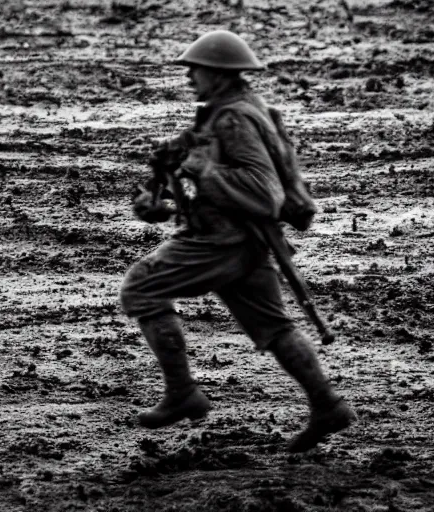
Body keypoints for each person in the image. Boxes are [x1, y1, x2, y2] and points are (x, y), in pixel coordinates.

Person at [120, 30, 355, 452]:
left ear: (220, 73)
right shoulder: (232, 109)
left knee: (141, 287)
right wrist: (167, 199)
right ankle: (327, 404)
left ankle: (181, 392)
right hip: (243, 240)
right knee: (274, 327)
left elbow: (264, 193)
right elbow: (220, 178)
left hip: (221, 242)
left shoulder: (234, 118)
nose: (190, 76)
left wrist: (200, 171)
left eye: (197, 69)